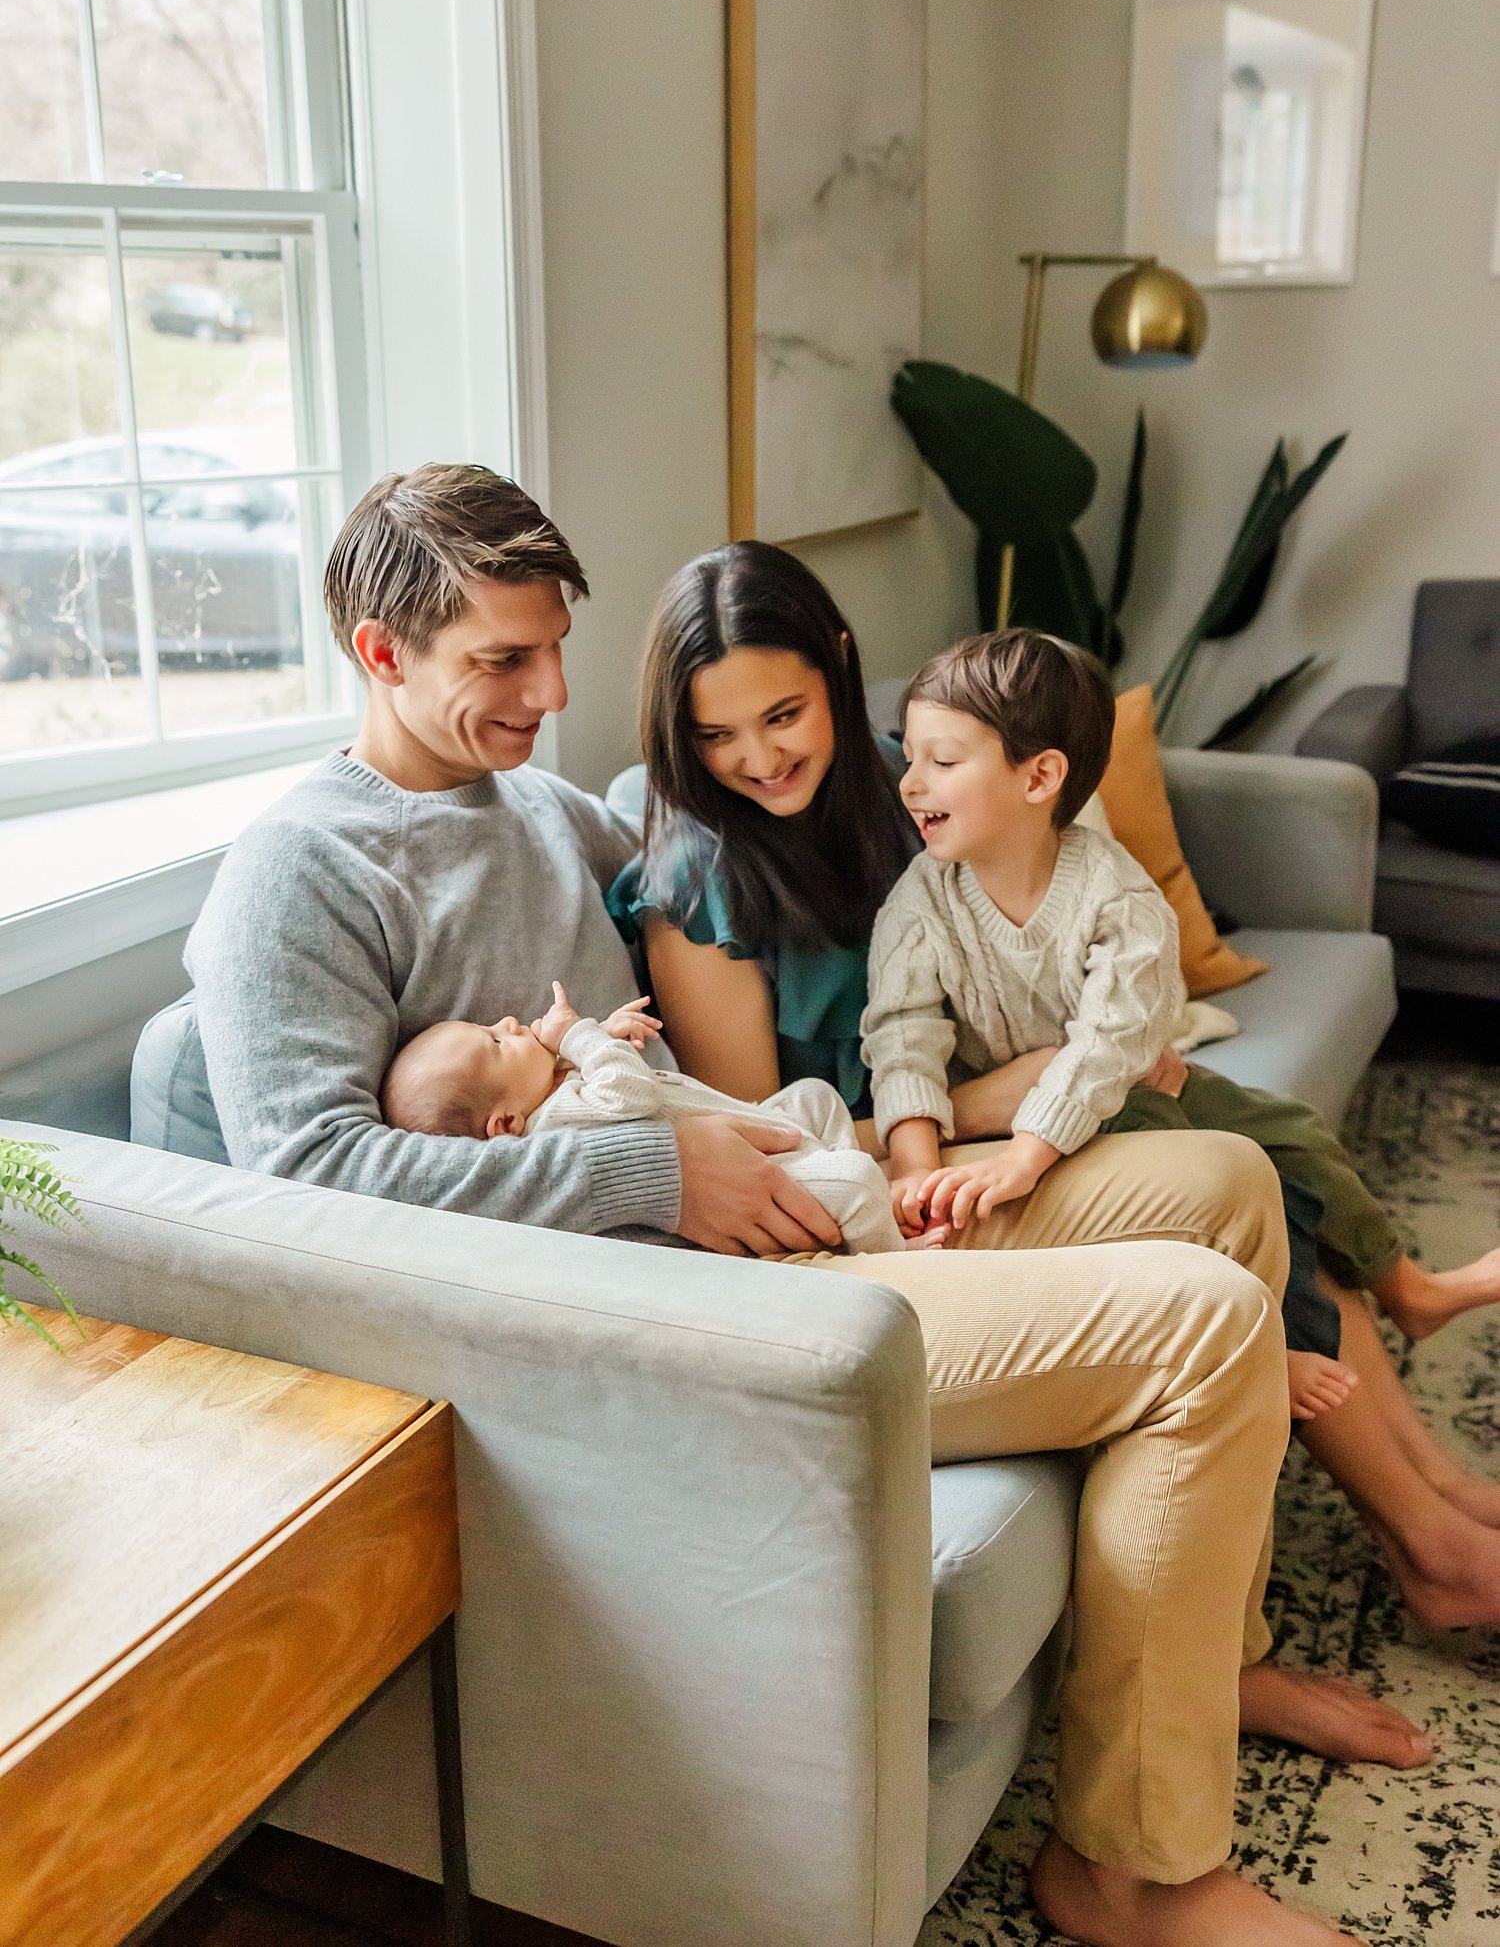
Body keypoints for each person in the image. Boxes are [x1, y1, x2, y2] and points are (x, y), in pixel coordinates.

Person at [166, 475, 1370, 1947]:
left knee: (1230, 1187)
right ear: (379, 652)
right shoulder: (295, 873)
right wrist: (654, 1172)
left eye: (553, 650)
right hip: (680, 1311)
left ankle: (1207, 1661)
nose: (550, 694)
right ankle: (1130, 1871)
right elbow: (303, 1187)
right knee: (1203, 1323)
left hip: (796, 1209)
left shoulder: (546, 813)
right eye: (502, 661)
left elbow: (728, 954)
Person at [625, 543, 1500, 1639]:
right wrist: (986, 1108)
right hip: (883, 1184)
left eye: (784, 714)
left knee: (1263, 1161)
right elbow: (763, 1143)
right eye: (714, 734)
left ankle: (1433, 1499)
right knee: (1230, 1194)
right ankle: (1424, 1543)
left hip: (1000, 1116)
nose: (755, 757)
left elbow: (1045, 912)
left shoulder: (909, 781)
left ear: (840, 672)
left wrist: (1107, 1041)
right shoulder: (696, 884)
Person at [861, 628, 1358, 1423]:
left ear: (1042, 776)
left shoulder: (1114, 894)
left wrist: (1029, 1155)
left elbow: (1107, 1045)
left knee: (1290, 1137)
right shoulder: (921, 902)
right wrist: (913, 1166)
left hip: (1104, 1082)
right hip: (1035, 1108)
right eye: (909, 756)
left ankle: (1408, 1283)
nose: (911, 784)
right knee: (1230, 1169)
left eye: (941, 761)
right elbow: (901, 1036)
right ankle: (1275, 1341)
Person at [380, 979, 915, 1252]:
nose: (510, 1021)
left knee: (815, 1097)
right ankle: (889, 1256)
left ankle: (841, 1196)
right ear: (506, 1125)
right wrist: (581, 1036)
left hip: (743, 1127)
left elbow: (609, 1077)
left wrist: (600, 1036)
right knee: (863, 1178)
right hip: (760, 1169)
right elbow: (630, 1095)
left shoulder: (554, 1087)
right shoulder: (559, 1119)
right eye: (496, 1042)